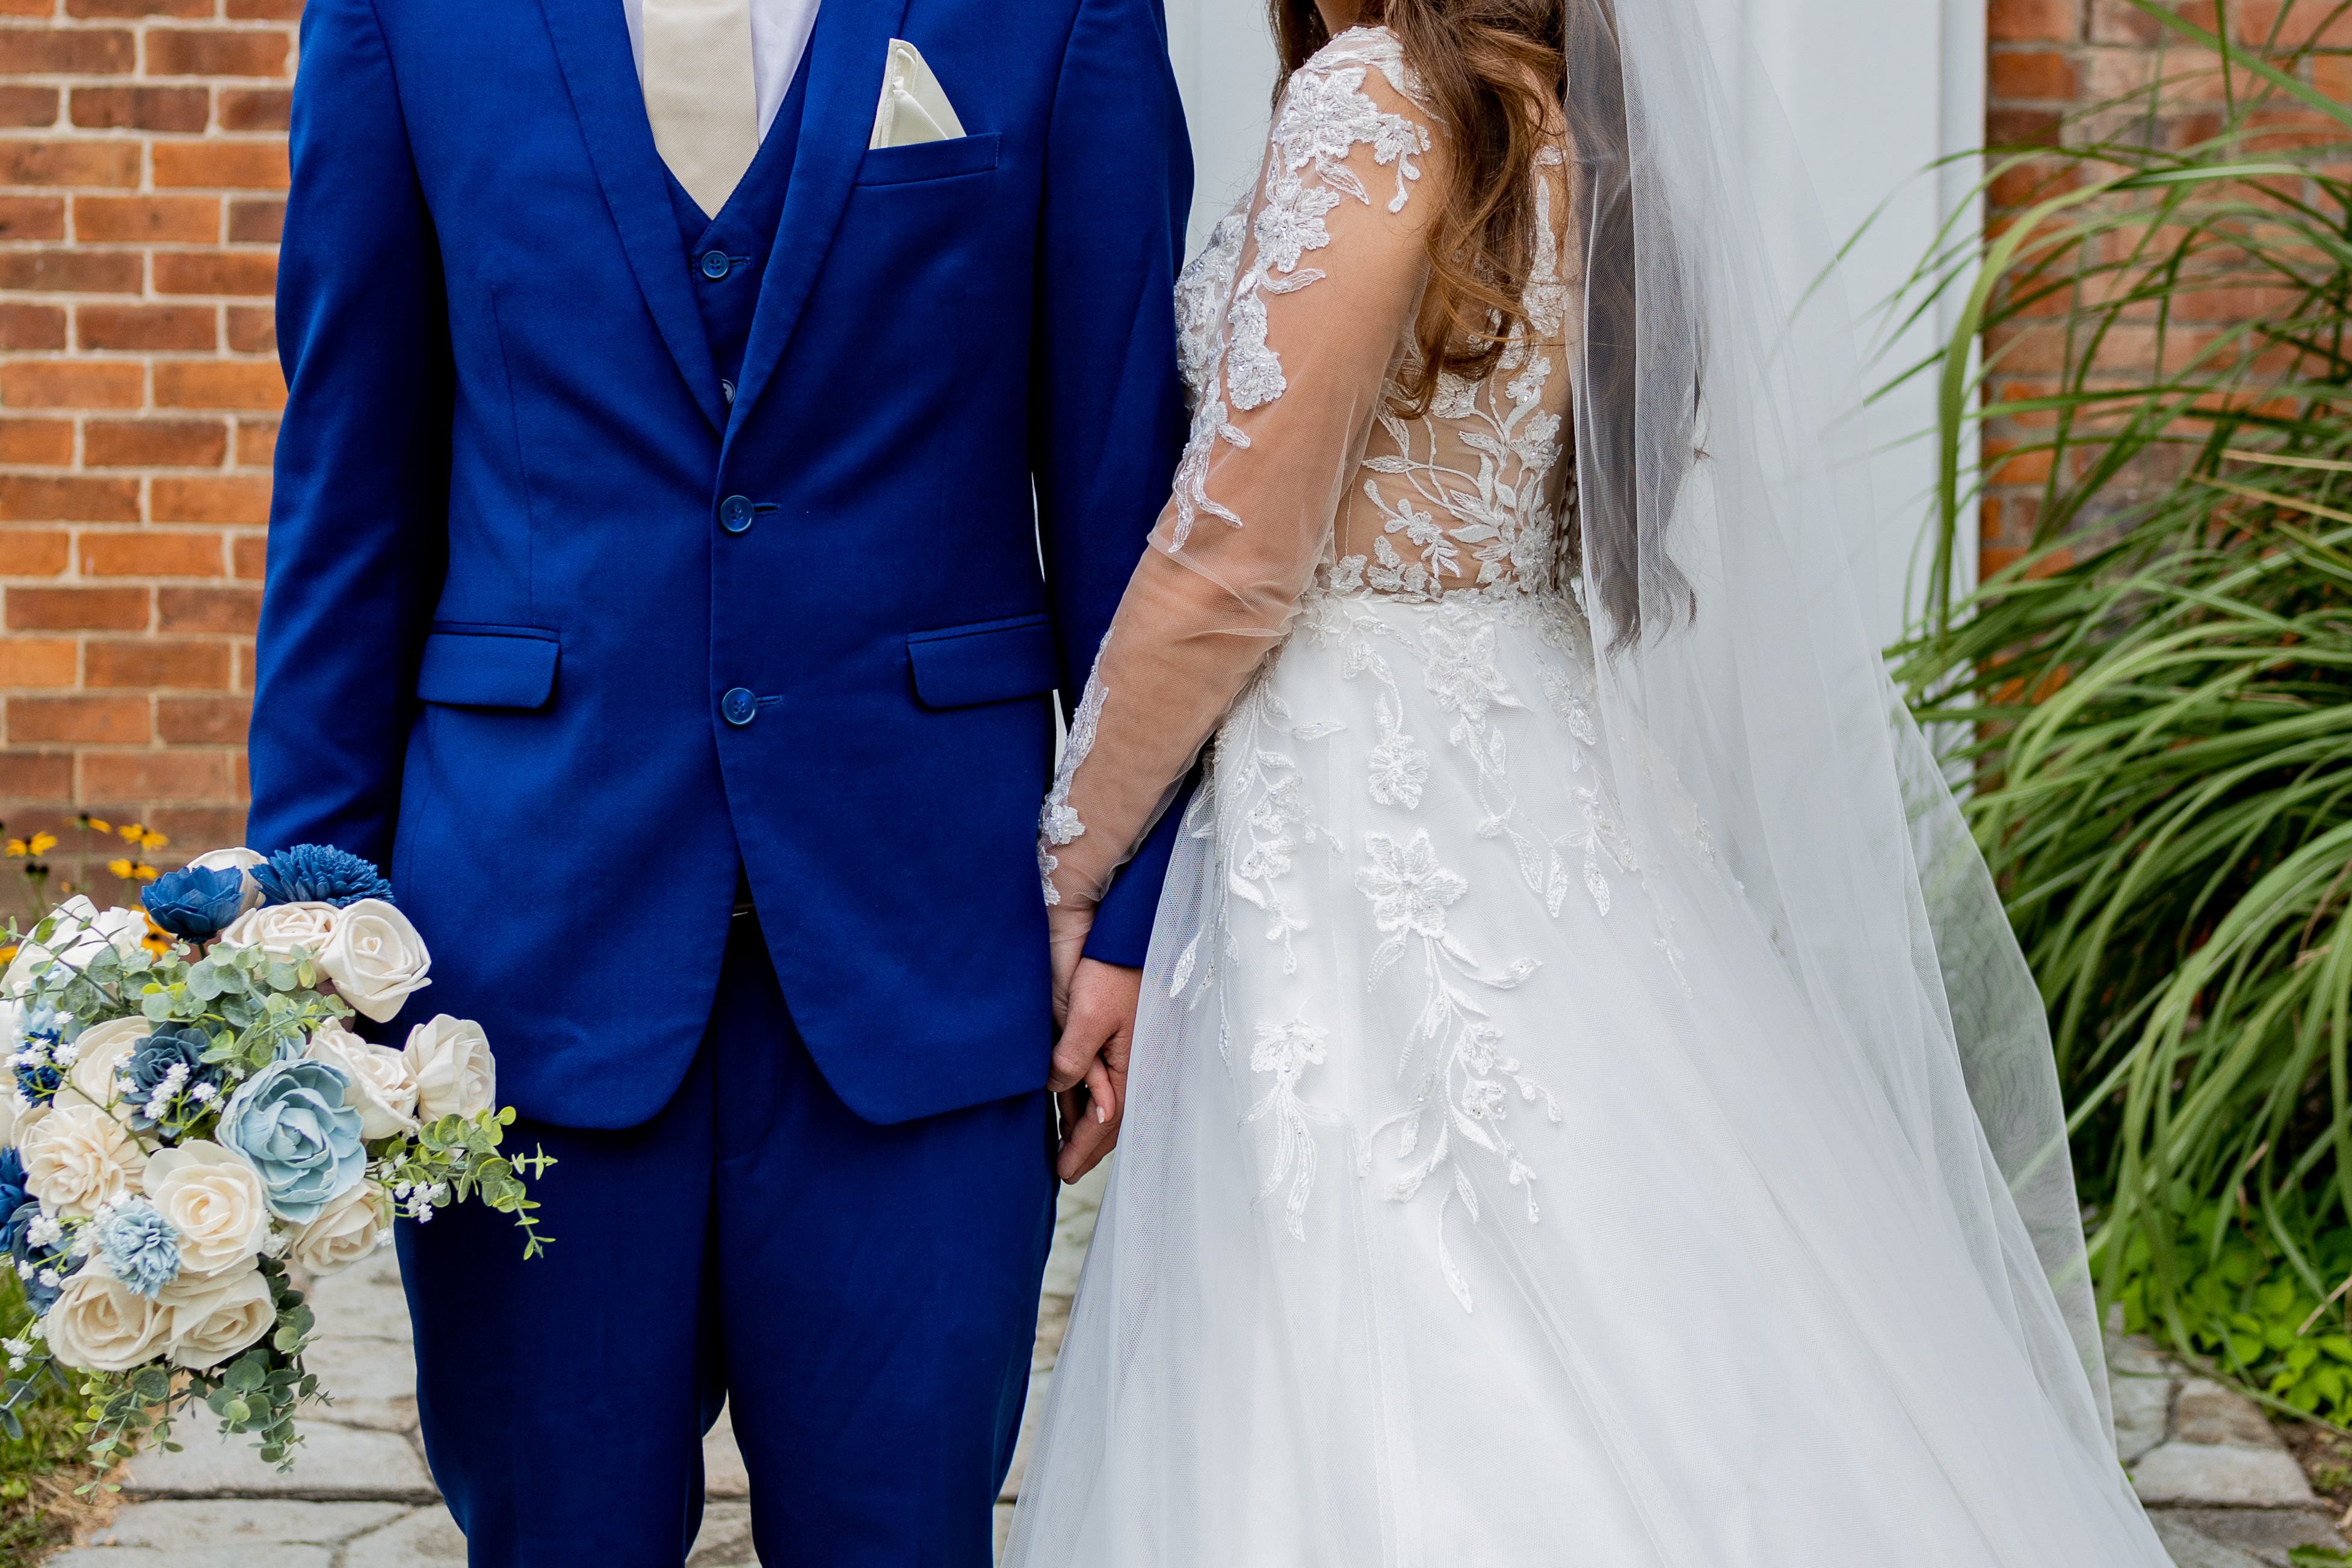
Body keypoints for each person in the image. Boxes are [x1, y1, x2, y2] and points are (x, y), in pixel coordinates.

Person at [1008, 0, 2179, 1561]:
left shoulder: (1379, 99)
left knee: (1392, 1296)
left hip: (1365, 793)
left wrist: (1071, 857)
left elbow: (1234, 560)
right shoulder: (1568, 118)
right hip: (1533, 758)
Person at [243, 0, 1191, 1562]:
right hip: (519, 967)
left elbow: (1120, 496)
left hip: (931, 941)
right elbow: (348, 495)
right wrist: (303, 927)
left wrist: (1138, 914)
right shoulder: (404, 20)